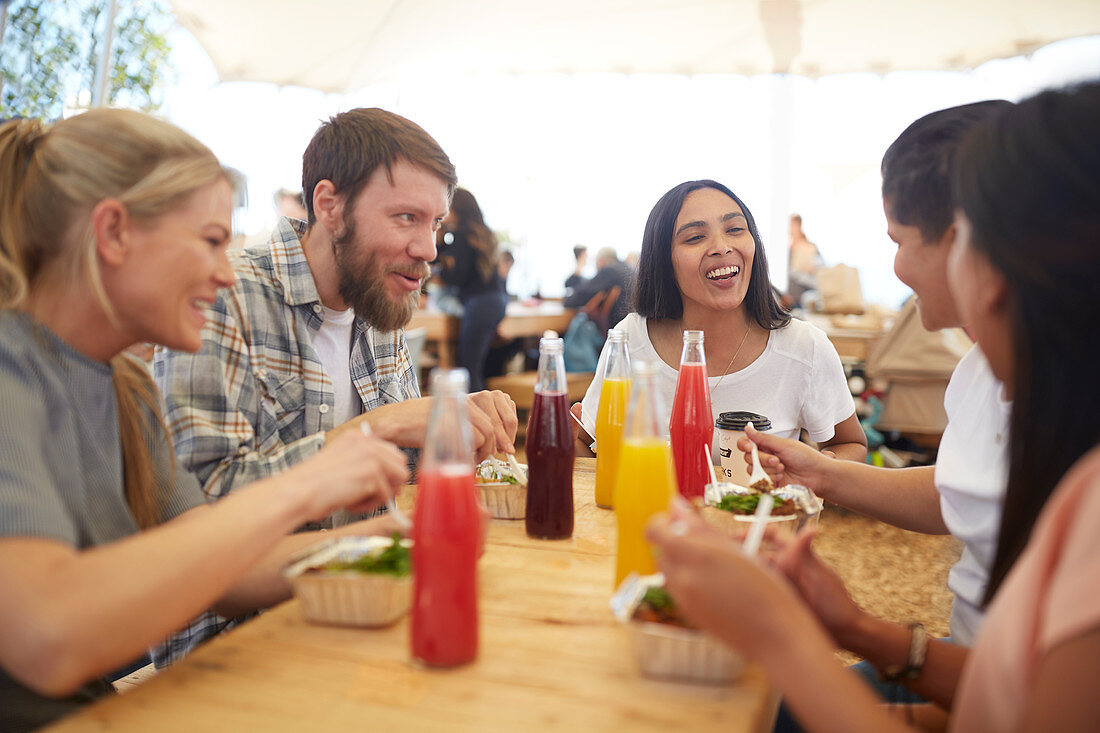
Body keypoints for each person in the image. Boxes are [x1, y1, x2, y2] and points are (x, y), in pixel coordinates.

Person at [648, 81, 1100, 731]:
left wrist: (782, 633)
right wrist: (857, 626)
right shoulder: (1003, 387)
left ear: (996, 264)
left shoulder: (1086, 498)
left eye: (964, 230)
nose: (896, 267)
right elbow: (1009, 692)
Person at [0, 109, 409, 732]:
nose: (225, 271)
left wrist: (396, 540)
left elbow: (222, 572)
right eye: (212, 241)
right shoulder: (11, 367)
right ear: (112, 233)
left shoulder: (125, 389)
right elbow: (46, 637)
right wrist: (306, 481)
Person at [152, 108, 516, 665]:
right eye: (405, 218)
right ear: (329, 205)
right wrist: (376, 428)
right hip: (241, 650)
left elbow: (397, 482)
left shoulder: (379, 302)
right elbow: (199, 520)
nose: (428, 249)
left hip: (366, 603)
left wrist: (456, 432)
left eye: (435, 224)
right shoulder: (225, 296)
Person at [738, 102, 1014, 716]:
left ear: (963, 238)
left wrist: (804, 635)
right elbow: (960, 494)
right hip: (965, 668)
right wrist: (819, 471)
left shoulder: (1069, 426)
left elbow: (1032, 703)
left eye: (898, 240)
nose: (895, 267)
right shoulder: (978, 371)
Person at [575, 180, 866, 462]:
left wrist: (815, 473)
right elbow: (585, 445)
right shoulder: (630, 340)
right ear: (664, 260)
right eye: (695, 237)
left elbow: (849, 443)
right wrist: (567, 443)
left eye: (735, 229)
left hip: (754, 513)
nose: (721, 246)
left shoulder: (804, 347)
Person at [435, 188, 509, 391]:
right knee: (478, 366)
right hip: (497, 300)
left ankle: (475, 421)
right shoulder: (484, 234)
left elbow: (458, 276)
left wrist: (439, 274)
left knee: (468, 367)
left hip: (479, 304)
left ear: (457, 208)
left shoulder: (461, 235)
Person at [563, 246, 634, 332]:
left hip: (616, 328)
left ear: (601, 260)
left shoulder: (609, 270)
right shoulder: (627, 268)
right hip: (630, 325)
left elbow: (582, 295)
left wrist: (567, 300)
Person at [786, 214, 822, 305]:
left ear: (798, 225)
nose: (789, 228)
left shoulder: (810, 247)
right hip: (792, 296)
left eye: (791, 225)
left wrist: (810, 269)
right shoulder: (790, 249)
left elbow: (820, 269)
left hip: (805, 295)